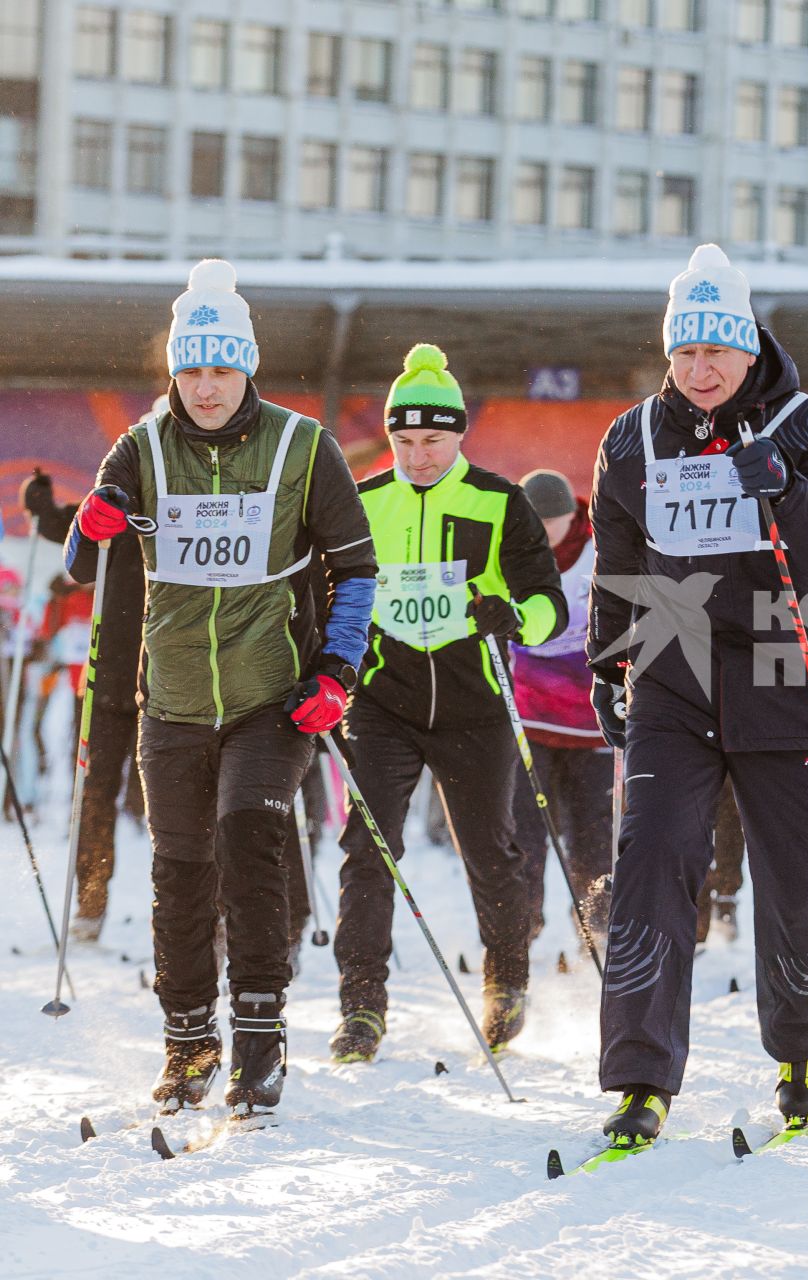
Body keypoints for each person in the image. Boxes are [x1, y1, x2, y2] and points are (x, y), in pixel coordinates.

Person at [67, 259, 376, 1113]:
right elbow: (78, 558)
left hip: (269, 699)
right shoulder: (140, 443)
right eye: (192, 371)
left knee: (249, 837)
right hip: (169, 703)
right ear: (174, 372)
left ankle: (260, 1041)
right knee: (181, 871)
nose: (206, 389)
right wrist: (92, 523)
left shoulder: (300, 445)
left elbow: (356, 569)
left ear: (248, 367)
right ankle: (188, 1043)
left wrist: (337, 671)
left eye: (222, 369)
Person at [587, 244, 808, 1153]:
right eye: (685, 354)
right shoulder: (632, 439)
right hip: (676, 670)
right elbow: (620, 567)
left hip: (790, 673)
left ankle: (804, 1054)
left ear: (747, 350)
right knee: (651, 863)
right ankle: (639, 1077)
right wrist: (607, 664)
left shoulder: (807, 424)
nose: (700, 371)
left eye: (717, 353)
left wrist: (780, 485)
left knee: (795, 879)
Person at [332, 344, 565, 1063]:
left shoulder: (498, 501)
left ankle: (506, 985)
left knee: (491, 853)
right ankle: (362, 1005)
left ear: (459, 434)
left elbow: (547, 602)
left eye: (433, 440)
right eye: (404, 441)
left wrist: (513, 614)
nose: (419, 456)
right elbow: (334, 593)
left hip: (473, 703)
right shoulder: (367, 502)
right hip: (382, 702)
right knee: (368, 847)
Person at [21, 459, 148, 943]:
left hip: (173, 682)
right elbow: (69, 525)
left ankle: (187, 913)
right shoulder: (116, 508)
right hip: (105, 683)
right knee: (93, 795)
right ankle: (90, 904)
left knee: (177, 804)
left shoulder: (194, 511)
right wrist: (41, 507)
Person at [509, 468, 613, 957]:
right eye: (537, 521)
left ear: (573, 516)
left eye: (554, 521)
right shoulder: (509, 545)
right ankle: (520, 931)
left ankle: (598, 932)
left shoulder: (601, 547)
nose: (545, 531)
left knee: (593, 839)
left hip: (590, 719)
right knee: (524, 838)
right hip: (529, 718)